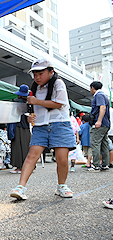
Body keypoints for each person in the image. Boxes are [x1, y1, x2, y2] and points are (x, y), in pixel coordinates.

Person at [10, 58, 76, 200]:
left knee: (62, 159)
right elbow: (33, 109)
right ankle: (20, 187)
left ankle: (62, 186)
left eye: (40, 73)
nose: (37, 77)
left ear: (51, 72)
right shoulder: (35, 88)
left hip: (60, 124)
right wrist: (30, 117)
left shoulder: (58, 83)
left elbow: (59, 103)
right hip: (40, 126)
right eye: (35, 74)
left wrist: (37, 101)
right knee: (31, 156)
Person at [86, 81, 111, 172]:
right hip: (106, 124)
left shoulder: (99, 95)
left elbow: (102, 107)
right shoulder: (104, 95)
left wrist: (99, 121)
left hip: (100, 123)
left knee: (95, 143)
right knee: (104, 144)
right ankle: (105, 164)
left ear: (92, 87)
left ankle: (95, 165)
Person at [7, 84, 31, 174]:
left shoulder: (16, 102)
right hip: (27, 127)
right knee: (26, 147)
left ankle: (19, 167)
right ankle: (28, 167)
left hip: (17, 126)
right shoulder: (29, 104)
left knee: (17, 147)